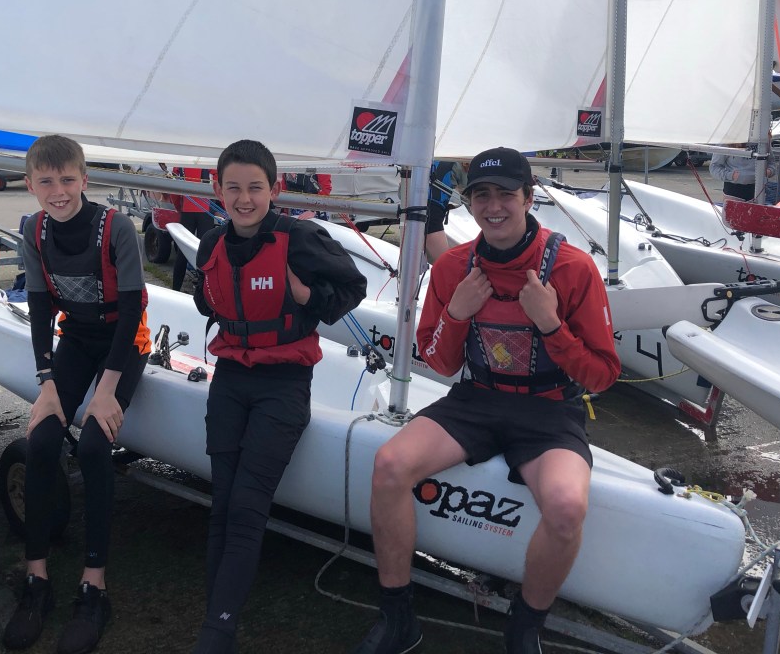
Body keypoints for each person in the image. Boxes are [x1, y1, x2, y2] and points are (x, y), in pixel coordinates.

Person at [352, 147, 620, 654]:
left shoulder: (573, 268)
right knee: (389, 465)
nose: (493, 207)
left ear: (529, 198)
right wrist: (457, 313)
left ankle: (524, 628)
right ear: (468, 202)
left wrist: (551, 324)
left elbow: (603, 375)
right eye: (481, 196)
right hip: (475, 400)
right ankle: (398, 616)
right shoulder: (454, 267)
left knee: (566, 508)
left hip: (549, 411)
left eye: (505, 195)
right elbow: (441, 364)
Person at [190, 139, 367, 653]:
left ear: (274, 188)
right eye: (233, 188)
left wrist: (306, 295)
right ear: (218, 189)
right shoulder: (211, 243)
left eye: (255, 188)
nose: (244, 199)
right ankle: (217, 626)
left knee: (247, 506)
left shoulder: (301, 238)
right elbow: (206, 299)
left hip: (284, 384)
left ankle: (215, 636)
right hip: (230, 378)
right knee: (222, 503)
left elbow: (352, 289)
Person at [5, 134, 151, 654]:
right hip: (76, 339)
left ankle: (94, 587)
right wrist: (46, 383)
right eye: (46, 181)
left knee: (92, 446)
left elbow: (131, 311)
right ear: (30, 184)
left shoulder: (116, 228)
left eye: (68, 179)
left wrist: (106, 391)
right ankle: (37, 578)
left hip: (124, 343)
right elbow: (40, 307)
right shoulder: (34, 230)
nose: (58, 191)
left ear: (84, 180)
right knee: (42, 442)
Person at [170, 166, 218, 293]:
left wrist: (178, 207)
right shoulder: (209, 163)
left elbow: (174, 190)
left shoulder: (180, 165)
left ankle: (175, 289)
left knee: (182, 253)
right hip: (205, 211)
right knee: (204, 252)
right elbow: (218, 182)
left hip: (187, 211)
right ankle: (204, 291)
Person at [424, 158, 468, 264]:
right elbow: (470, 199)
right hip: (432, 216)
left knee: (411, 263)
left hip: (409, 209)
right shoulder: (462, 164)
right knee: (446, 265)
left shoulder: (434, 156)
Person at [709, 153, 774, 202]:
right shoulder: (726, 141)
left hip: (758, 191)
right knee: (733, 216)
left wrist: (769, 171)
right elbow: (714, 167)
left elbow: (771, 162)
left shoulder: (763, 140)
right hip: (733, 190)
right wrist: (730, 175)